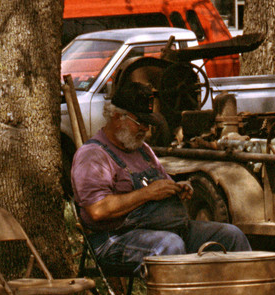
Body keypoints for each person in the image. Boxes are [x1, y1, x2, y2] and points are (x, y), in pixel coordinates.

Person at [71, 81, 251, 276]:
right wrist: (147, 193)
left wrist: (177, 188)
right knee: (170, 246)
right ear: (116, 116)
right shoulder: (92, 155)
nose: (146, 130)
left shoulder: (142, 150)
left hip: (168, 229)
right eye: (140, 123)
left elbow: (161, 185)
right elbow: (97, 210)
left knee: (231, 236)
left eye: (148, 124)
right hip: (113, 239)